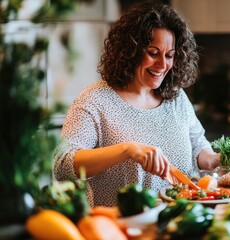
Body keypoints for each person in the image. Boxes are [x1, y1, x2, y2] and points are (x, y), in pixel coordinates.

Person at [53, 1, 220, 207]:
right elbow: (62, 165)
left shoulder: (175, 97)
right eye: (153, 53)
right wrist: (126, 150)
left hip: (182, 221)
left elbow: (198, 145)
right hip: (124, 228)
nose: (162, 65)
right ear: (130, 50)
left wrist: (212, 159)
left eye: (169, 55)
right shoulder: (95, 100)